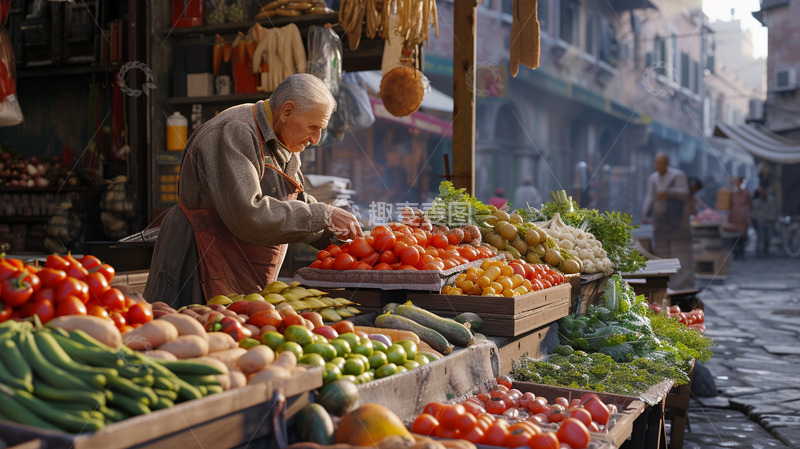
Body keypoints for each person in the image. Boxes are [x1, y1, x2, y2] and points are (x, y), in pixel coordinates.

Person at [144, 74, 363, 307]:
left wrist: (342, 236)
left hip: (240, 266)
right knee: (190, 332)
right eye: (313, 127)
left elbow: (295, 203)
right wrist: (322, 215)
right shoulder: (234, 131)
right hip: (197, 261)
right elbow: (249, 216)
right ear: (287, 111)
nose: (316, 140)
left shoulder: (284, 139)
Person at [642, 153, 694, 290]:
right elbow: (649, 196)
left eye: (661, 163)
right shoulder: (653, 178)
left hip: (679, 222)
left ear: (667, 163)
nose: (658, 166)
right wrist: (645, 213)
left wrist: (668, 192)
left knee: (681, 254)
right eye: (656, 163)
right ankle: (664, 284)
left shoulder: (678, 175)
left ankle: (682, 283)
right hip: (661, 222)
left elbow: (684, 193)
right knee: (661, 254)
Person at [726, 176, 752, 260]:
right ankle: (736, 252)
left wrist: (748, 217)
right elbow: (728, 205)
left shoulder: (746, 192)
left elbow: (749, 205)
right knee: (734, 235)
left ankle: (741, 252)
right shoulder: (731, 193)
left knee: (743, 236)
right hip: (734, 216)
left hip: (743, 216)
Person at [751, 186, 778, 258]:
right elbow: (755, 213)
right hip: (761, 222)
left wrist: (771, 217)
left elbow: (773, 210)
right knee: (761, 238)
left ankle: (766, 251)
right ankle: (760, 252)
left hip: (769, 222)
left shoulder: (771, 200)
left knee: (768, 238)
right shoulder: (757, 201)